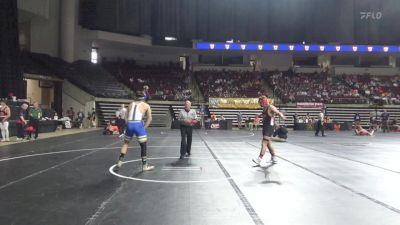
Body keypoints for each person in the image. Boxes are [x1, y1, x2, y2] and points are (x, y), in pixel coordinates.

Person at [113, 92, 154, 172]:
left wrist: (128, 124)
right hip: (138, 124)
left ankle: (120, 161)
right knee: (143, 146)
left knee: (126, 143)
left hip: (130, 124)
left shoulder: (130, 104)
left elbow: (125, 117)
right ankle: (145, 166)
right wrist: (144, 127)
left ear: (135, 97)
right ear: (144, 98)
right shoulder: (146, 105)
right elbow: (150, 119)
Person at [253, 96, 285, 165]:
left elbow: (277, 111)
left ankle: (259, 159)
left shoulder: (270, 107)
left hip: (269, 128)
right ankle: (274, 158)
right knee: (269, 144)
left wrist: (281, 115)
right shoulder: (264, 108)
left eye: (260, 102)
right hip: (266, 127)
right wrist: (259, 116)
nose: (259, 103)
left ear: (263, 101)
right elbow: (264, 115)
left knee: (264, 143)